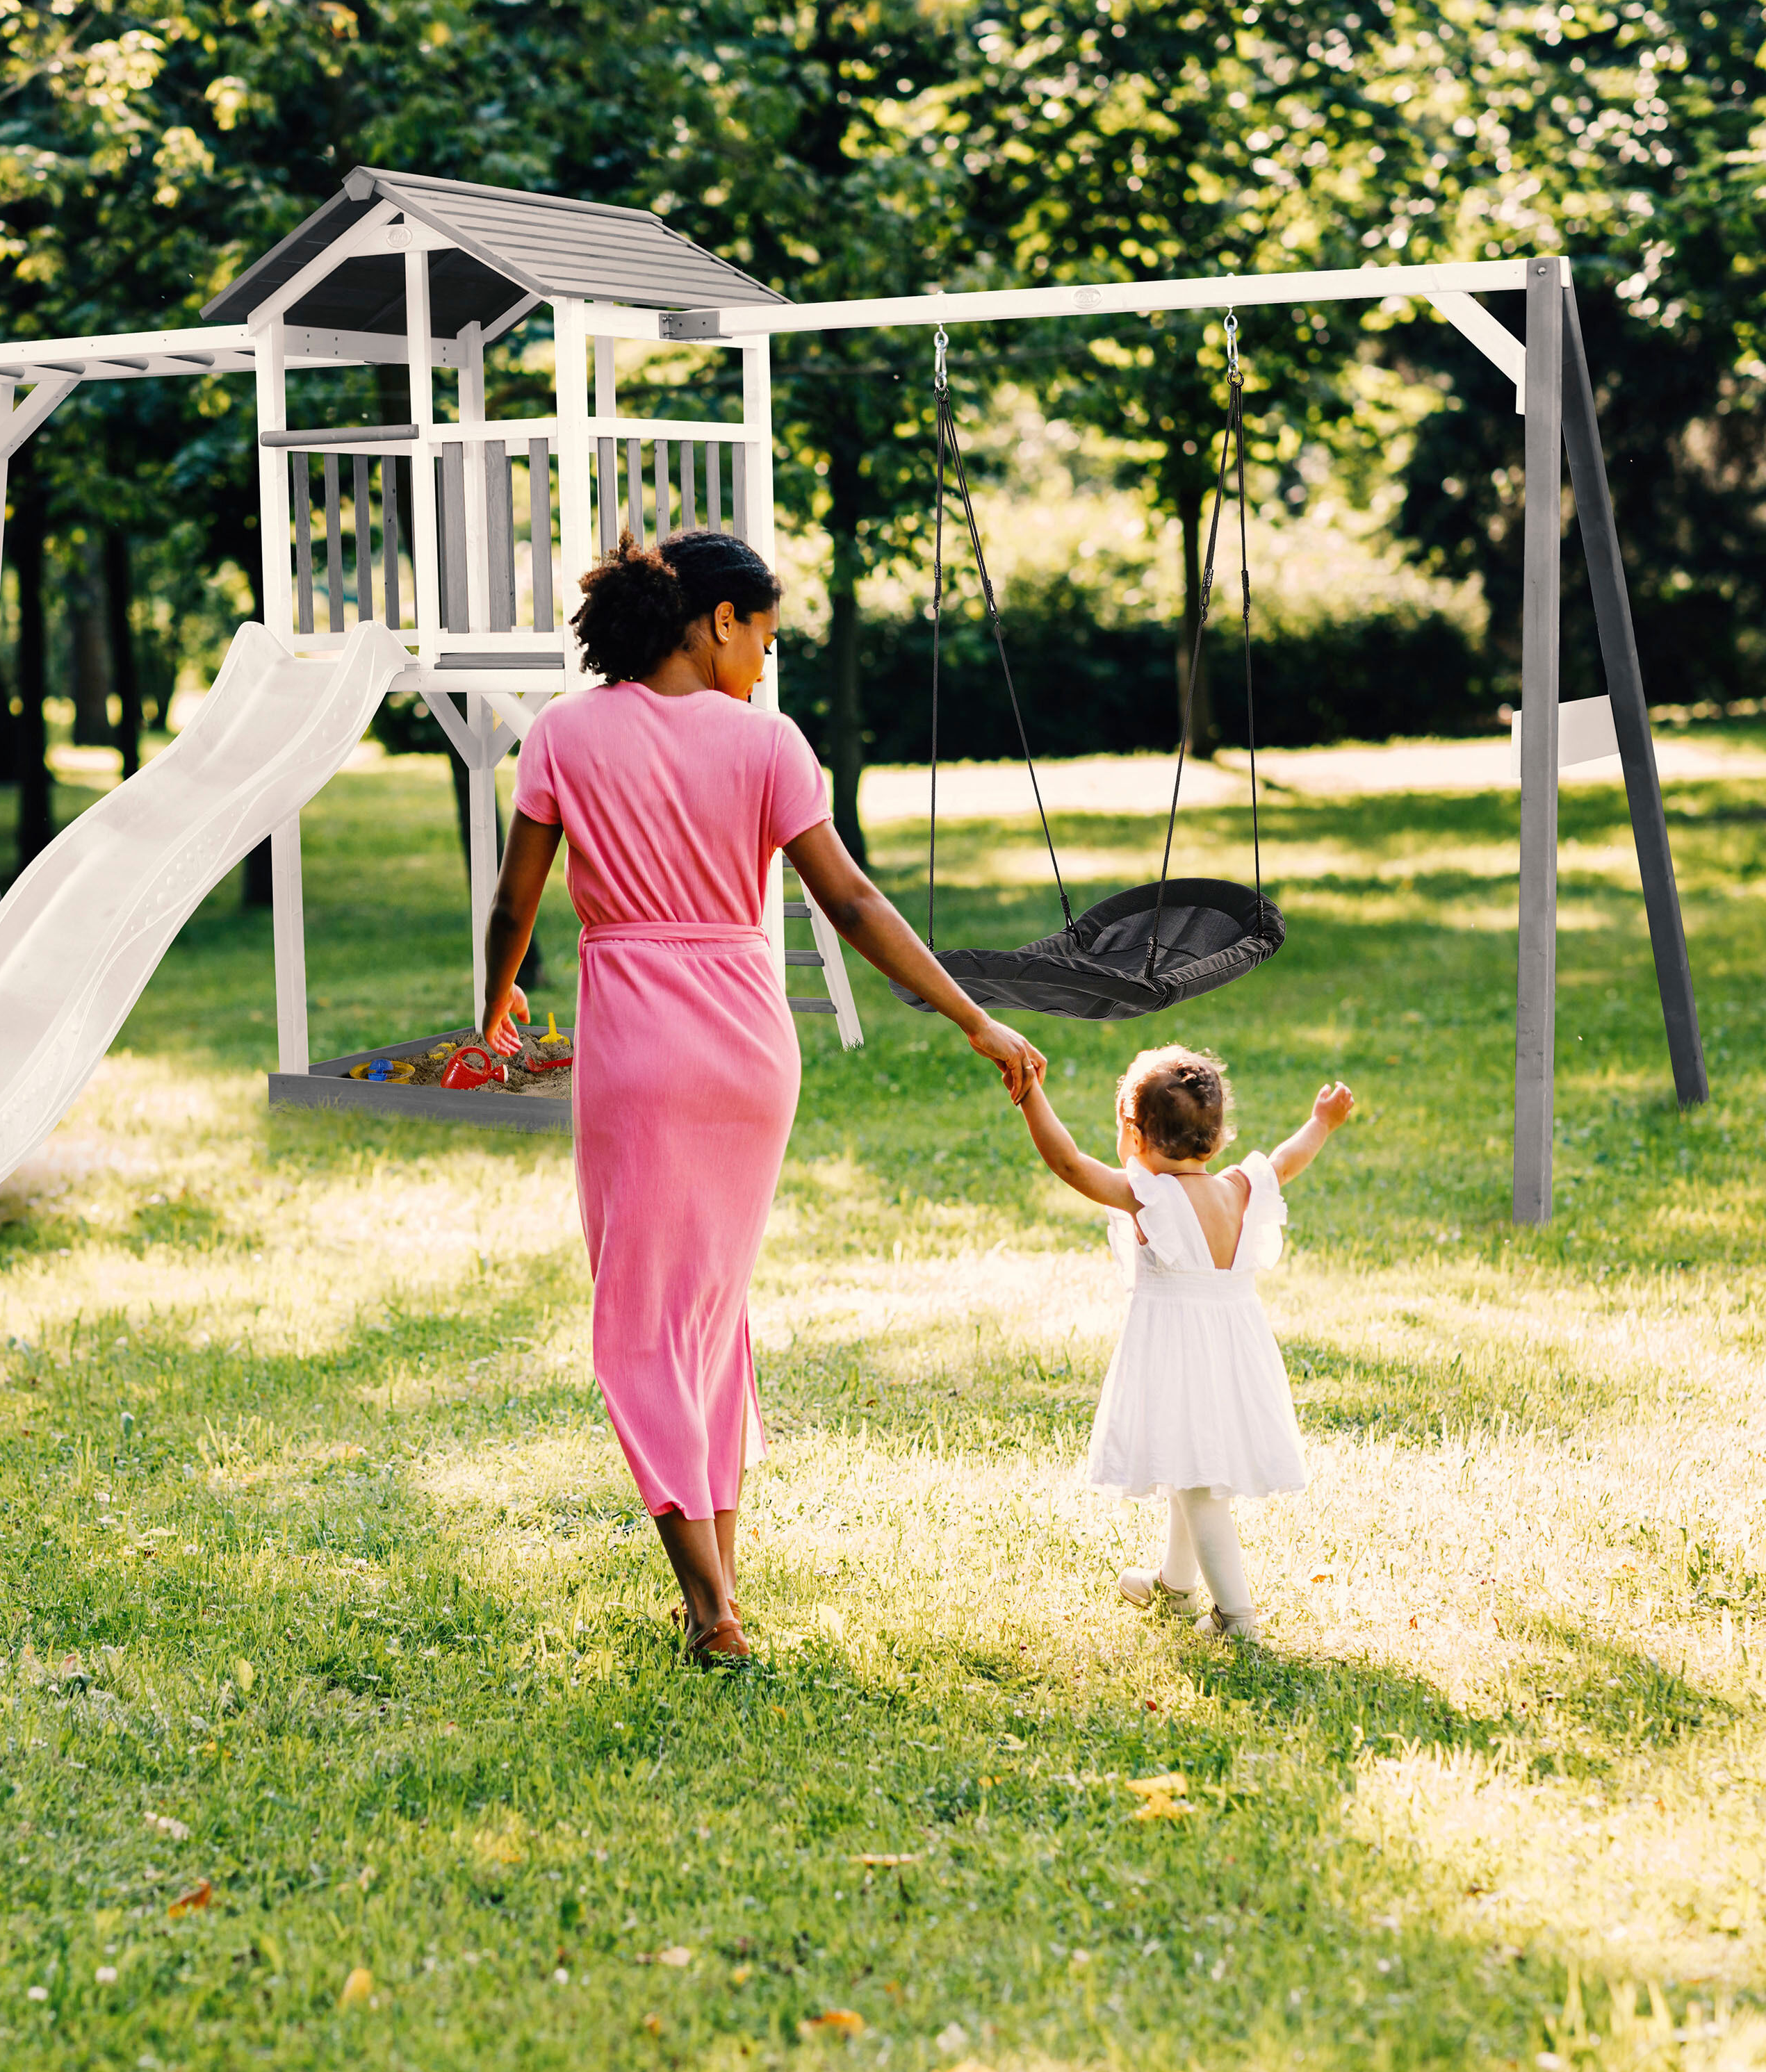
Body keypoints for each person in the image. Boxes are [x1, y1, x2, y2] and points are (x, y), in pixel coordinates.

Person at [481, 530, 1046, 1663]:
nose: (766, 662)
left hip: (639, 1044)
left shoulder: (563, 734)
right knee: (708, 1316)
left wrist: (492, 1005)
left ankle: (710, 1608)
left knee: (642, 1324)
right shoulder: (769, 745)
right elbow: (851, 904)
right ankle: (720, 1587)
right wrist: (973, 1015)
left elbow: (515, 902)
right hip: (748, 1046)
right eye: (766, 637)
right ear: (718, 620)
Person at [1013, 1044, 1355, 1641]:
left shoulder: (1150, 1197)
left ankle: (1236, 1618)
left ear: (1135, 1135)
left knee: (1198, 1487)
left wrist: (1029, 1093)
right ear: (1217, 1139)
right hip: (1234, 1353)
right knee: (1185, 1463)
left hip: (1180, 1356)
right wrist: (1321, 1122)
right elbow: (1287, 1159)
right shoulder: (1241, 1188)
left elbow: (1068, 1163)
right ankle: (1175, 1586)